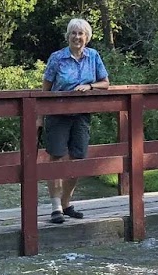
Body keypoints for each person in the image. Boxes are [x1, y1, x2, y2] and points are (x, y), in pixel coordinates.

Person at [42, 17, 109, 224]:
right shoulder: (57, 58)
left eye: (81, 34)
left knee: (77, 159)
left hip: (81, 115)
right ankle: (55, 208)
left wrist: (90, 86)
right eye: (73, 33)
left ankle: (66, 203)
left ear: (86, 37)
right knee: (56, 158)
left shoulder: (93, 56)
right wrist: (38, 116)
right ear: (68, 36)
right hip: (57, 115)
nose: (77, 37)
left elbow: (105, 83)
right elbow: (45, 89)